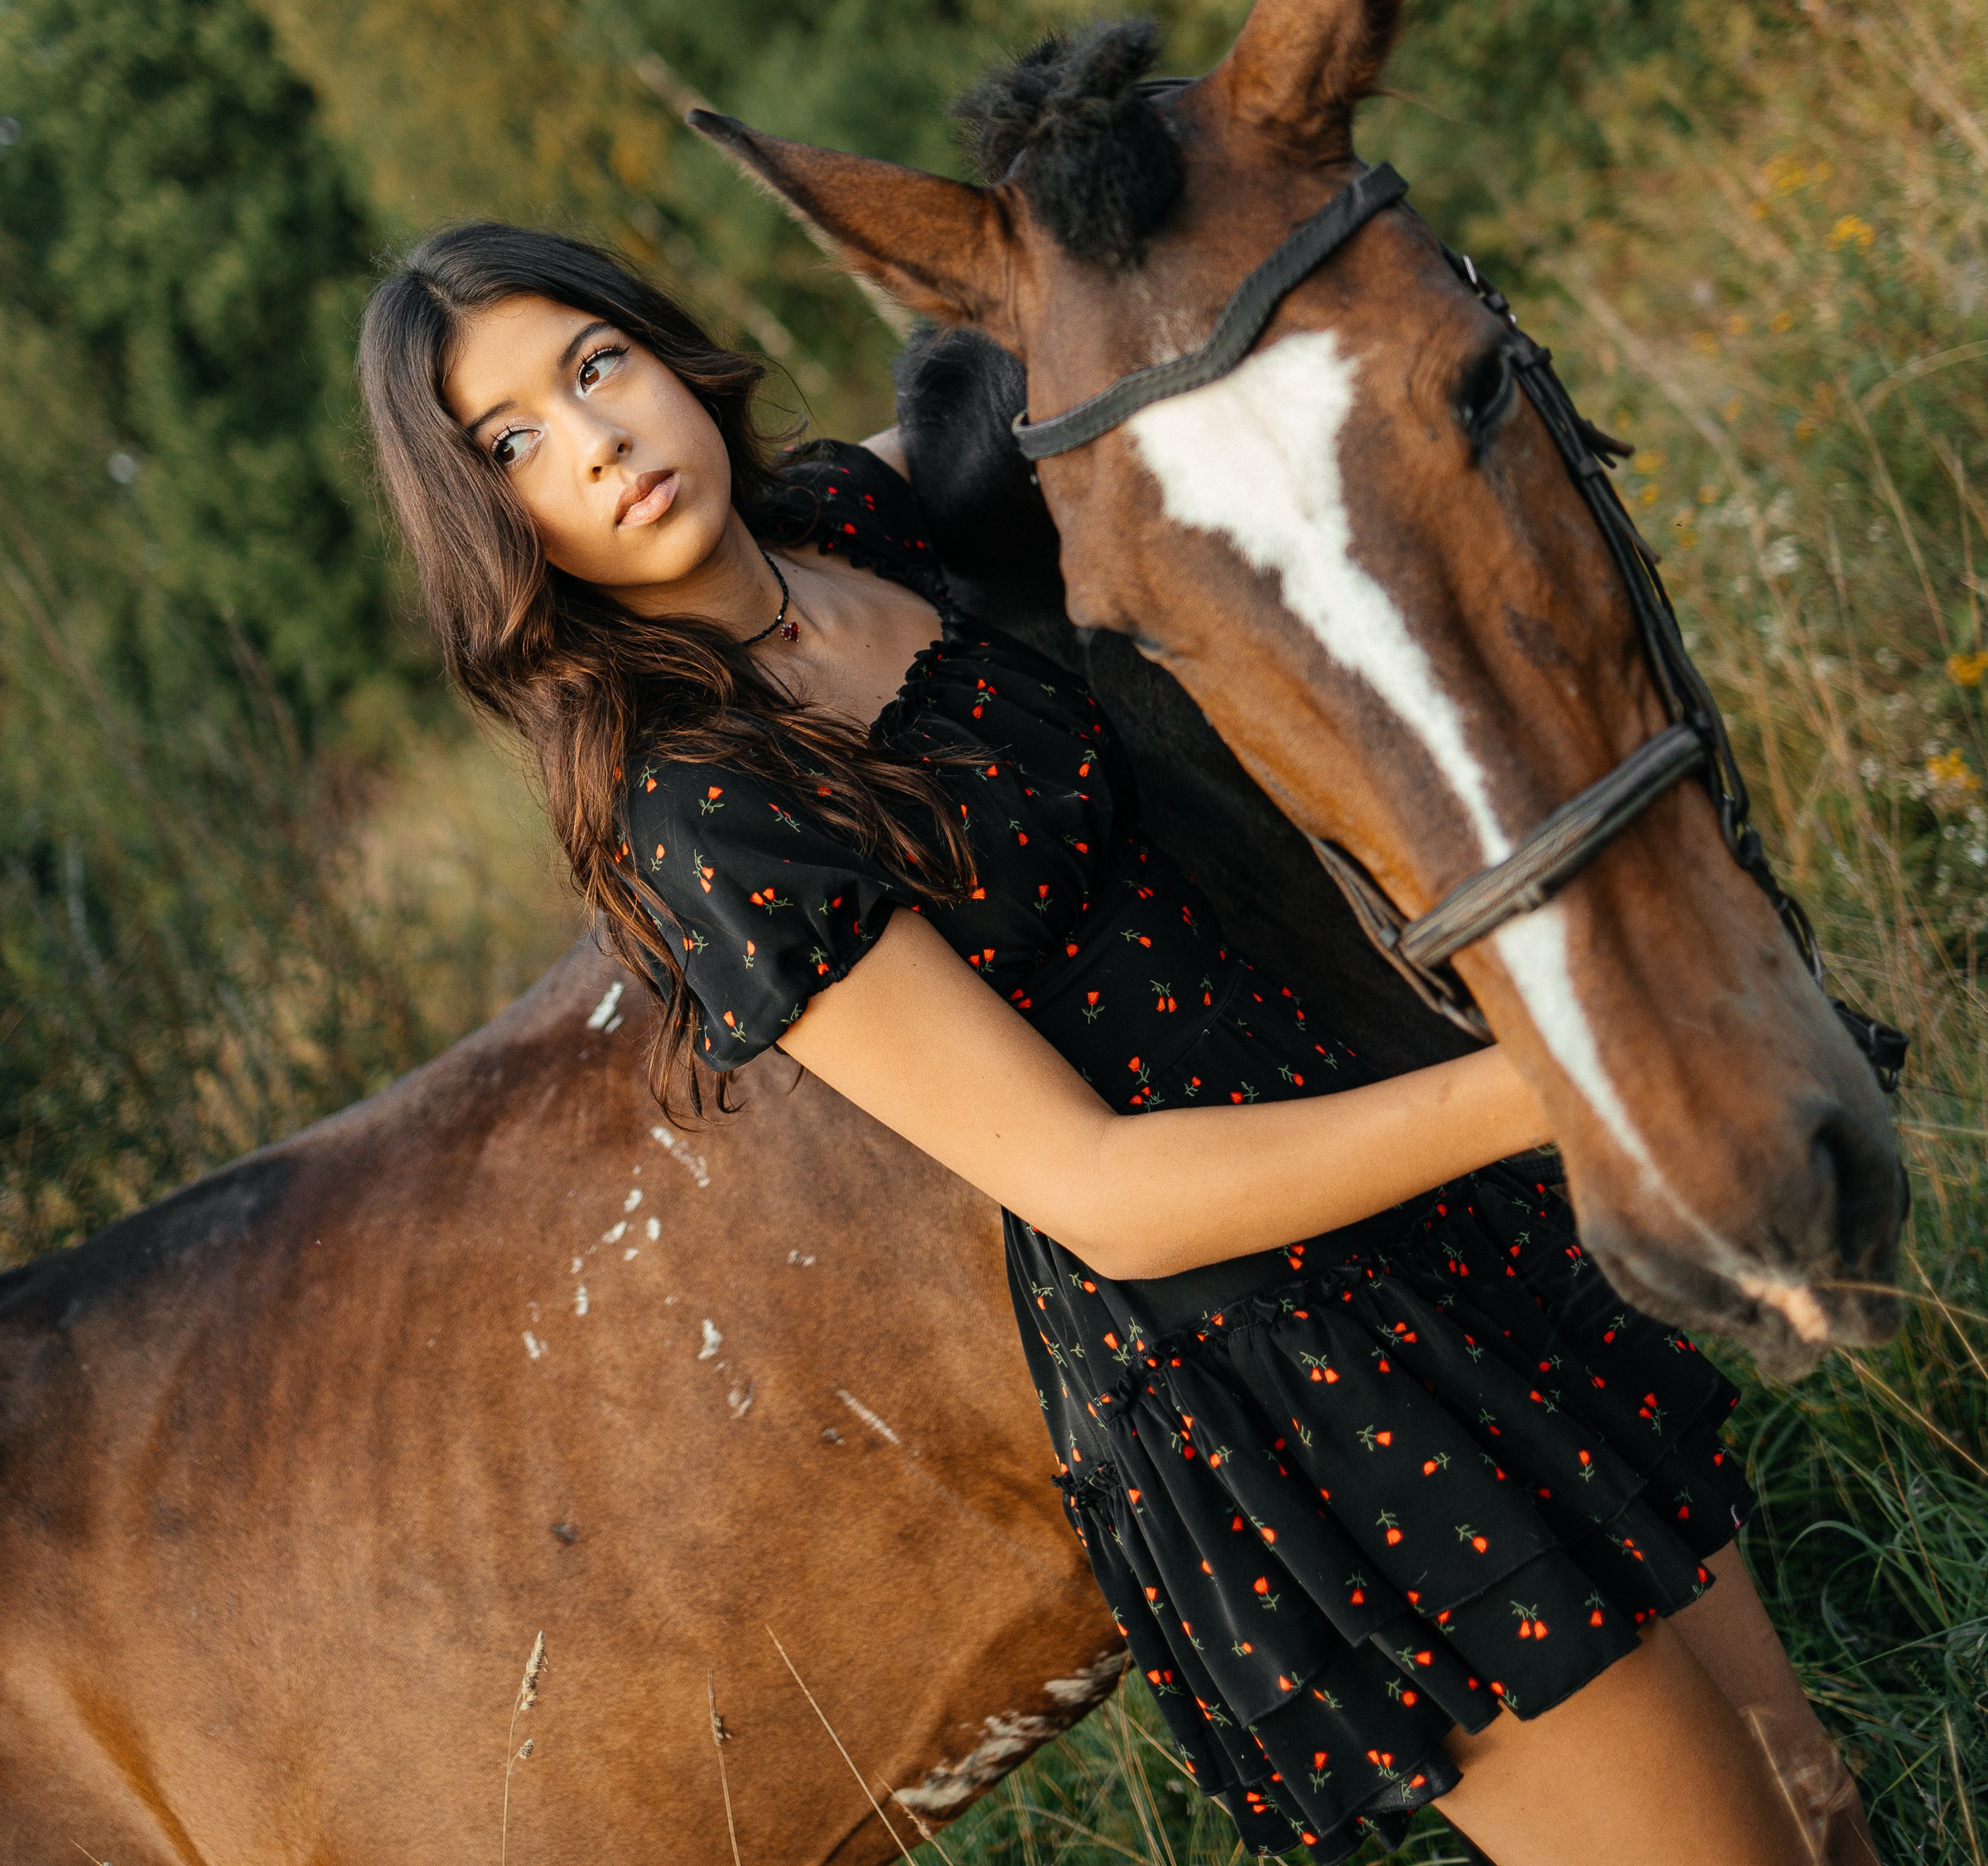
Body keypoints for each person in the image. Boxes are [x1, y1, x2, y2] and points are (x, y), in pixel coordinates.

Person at [359, 222, 1874, 1866]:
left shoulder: (842, 527)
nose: (596, 441)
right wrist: (1554, 1077)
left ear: (668, 355)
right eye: (512, 442)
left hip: (1428, 1187)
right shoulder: (703, 803)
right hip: (1291, 1360)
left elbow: (1077, 366)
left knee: (1816, 1803)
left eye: (598, 365)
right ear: (482, 522)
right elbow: (1100, 1193)